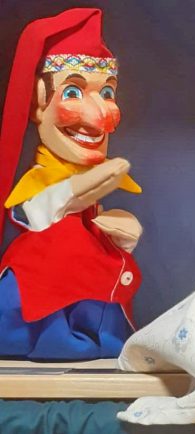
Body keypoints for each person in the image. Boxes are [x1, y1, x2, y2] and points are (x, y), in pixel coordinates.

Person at [0, 8, 142, 359]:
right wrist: (76, 191)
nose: (101, 115)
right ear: (39, 100)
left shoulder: (98, 183)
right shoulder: (39, 181)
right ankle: (56, 337)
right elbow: (35, 215)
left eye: (107, 93)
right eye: (74, 92)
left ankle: (94, 335)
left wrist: (120, 235)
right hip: (38, 301)